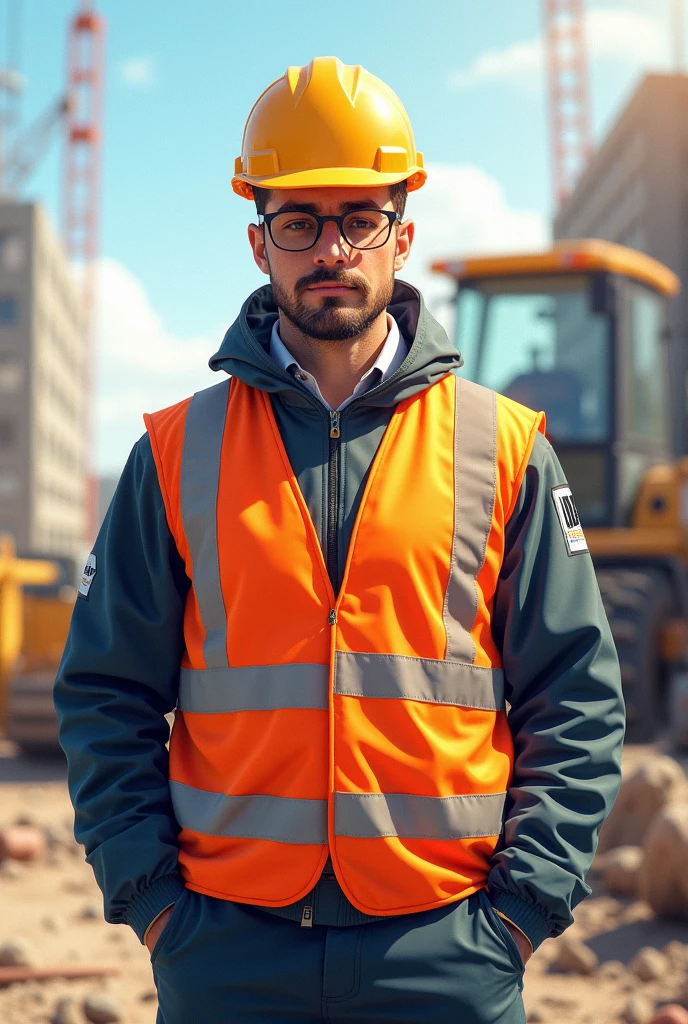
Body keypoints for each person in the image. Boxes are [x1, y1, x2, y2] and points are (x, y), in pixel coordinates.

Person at [55, 57, 625, 1024]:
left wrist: (519, 914)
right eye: (300, 223)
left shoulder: (505, 447)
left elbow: (577, 694)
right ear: (257, 242)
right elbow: (105, 689)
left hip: (447, 947)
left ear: (402, 233)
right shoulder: (174, 452)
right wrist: (154, 905)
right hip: (225, 950)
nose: (333, 249)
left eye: (360, 218)